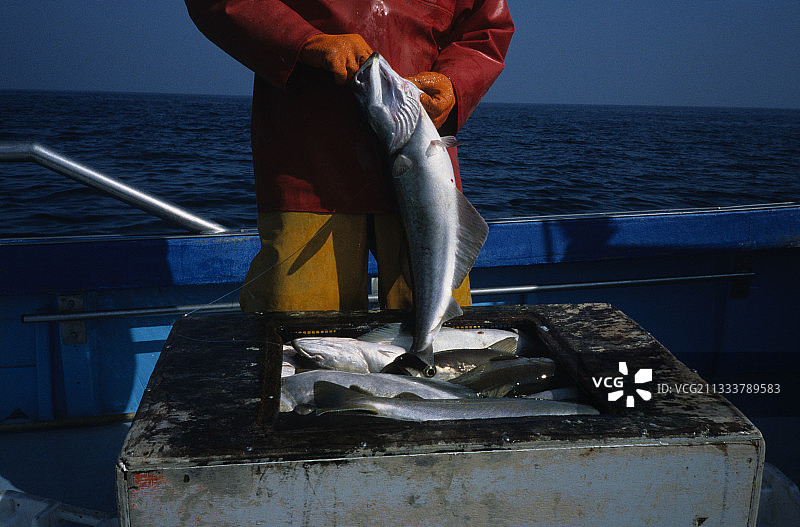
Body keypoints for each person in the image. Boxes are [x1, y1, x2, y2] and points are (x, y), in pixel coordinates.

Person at [185, 0, 514, 313]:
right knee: (303, 340)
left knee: (443, 342)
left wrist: (455, 83)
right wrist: (305, 42)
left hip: (425, 172)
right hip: (309, 170)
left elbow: (487, 27)